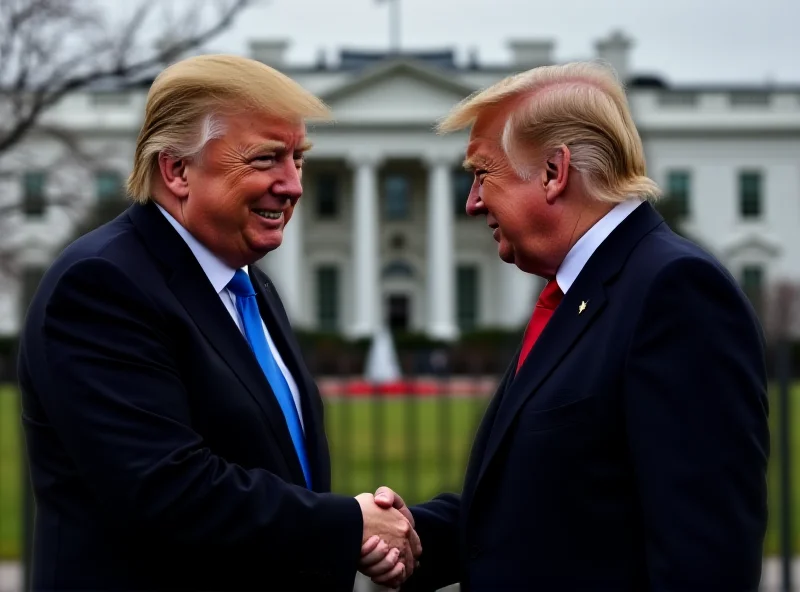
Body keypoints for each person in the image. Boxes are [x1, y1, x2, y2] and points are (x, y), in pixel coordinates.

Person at [17, 54, 418, 591]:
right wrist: (348, 524)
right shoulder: (102, 285)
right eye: (266, 159)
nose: (294, 184)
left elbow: (273, 466)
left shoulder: (246, 282)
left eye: (298, 158)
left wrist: (356, 533)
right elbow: (167, 489)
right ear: (177, 170)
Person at [367, 61, 770, 590]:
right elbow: (552, 502)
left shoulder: (674, 293)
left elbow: (704, 560)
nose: (472, 202)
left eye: (483, 173)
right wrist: (416, 536)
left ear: (555, 173)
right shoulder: (581, 293)